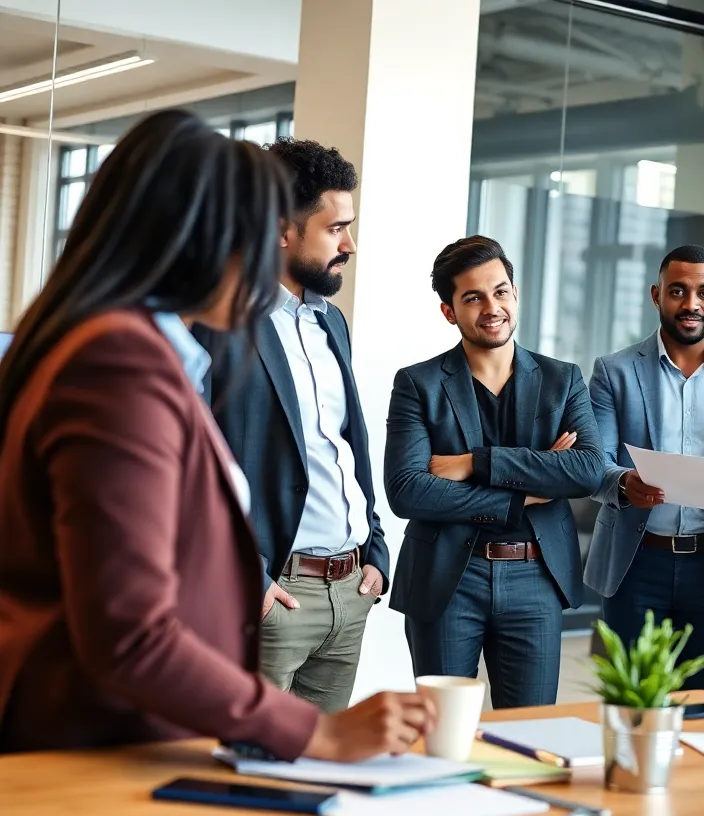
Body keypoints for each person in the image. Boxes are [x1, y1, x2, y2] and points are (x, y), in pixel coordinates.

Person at [0, 110, 432, 759]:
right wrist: (316, 730)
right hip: (99, 743)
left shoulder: (122, 348)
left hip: (123, 731)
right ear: (206, 237)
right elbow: (130, 633)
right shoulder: (116, 367)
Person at [194, 138, 389, 714]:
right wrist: (246, 578)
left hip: (351, 591)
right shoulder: (218, 323)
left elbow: (345, 446)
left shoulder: (332, 323)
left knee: (322, 761)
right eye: (336, 229)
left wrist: (375, 549)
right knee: (243, 761)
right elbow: (195, 466)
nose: (350, 245)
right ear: (282, 231)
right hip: (274, 594)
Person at [385, 235, 604, 708]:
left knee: (529, 730)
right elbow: (408, 491)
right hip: (447, 578)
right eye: (473, 298)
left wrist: (475, 463)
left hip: (536, 576)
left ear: (515, 294)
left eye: (501, 291)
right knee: (444, 727)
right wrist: (525, 492)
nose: (492, 307)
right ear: (449, 312)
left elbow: (587, 470)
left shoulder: (562, 379)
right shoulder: (418, 384)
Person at [584, 245, 704, 692]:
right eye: (678, 291)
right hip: (635, 560)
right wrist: (622, 483)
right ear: (656, 295)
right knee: (632, 697)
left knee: (702, 699)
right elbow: (592, 464)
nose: (691, 304)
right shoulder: (614, 371)